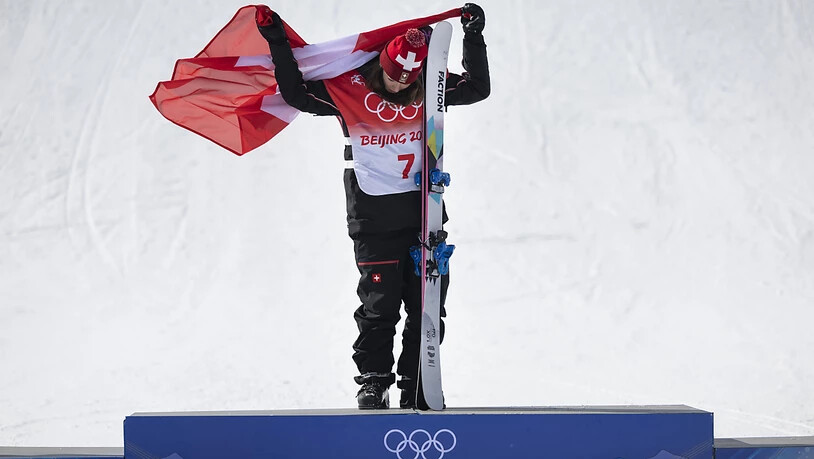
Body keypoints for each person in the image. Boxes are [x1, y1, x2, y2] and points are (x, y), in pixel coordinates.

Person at [256, 4, 490, 409]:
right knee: (379, 307)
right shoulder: (349, 89)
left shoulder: (430, 86)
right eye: (392, 77)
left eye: (408, 80)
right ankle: (374, 381)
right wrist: (277, 40)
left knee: (427, 306)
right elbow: (296, 93)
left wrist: (473, 37)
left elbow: (477, 88)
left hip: (424, 218)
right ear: (381, 66)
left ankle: (417, 380)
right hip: (373, 220)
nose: (399, 86)